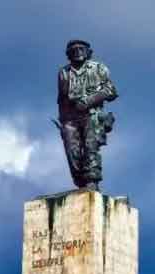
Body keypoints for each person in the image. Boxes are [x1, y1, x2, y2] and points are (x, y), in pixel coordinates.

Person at [56, 39, 118, 190]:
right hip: (70, 118)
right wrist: (63, 121)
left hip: (91, 114)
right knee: (72, 151)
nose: (77, 52)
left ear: (88, 52)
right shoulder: (64, 73)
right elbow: (61, 99)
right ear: (68, 54)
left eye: (81, 48)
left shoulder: (97, 68)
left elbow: (111, 90)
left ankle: (92, 180)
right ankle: (80, 181)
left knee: (91, 147)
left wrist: (89, 100)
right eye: (73, 49)